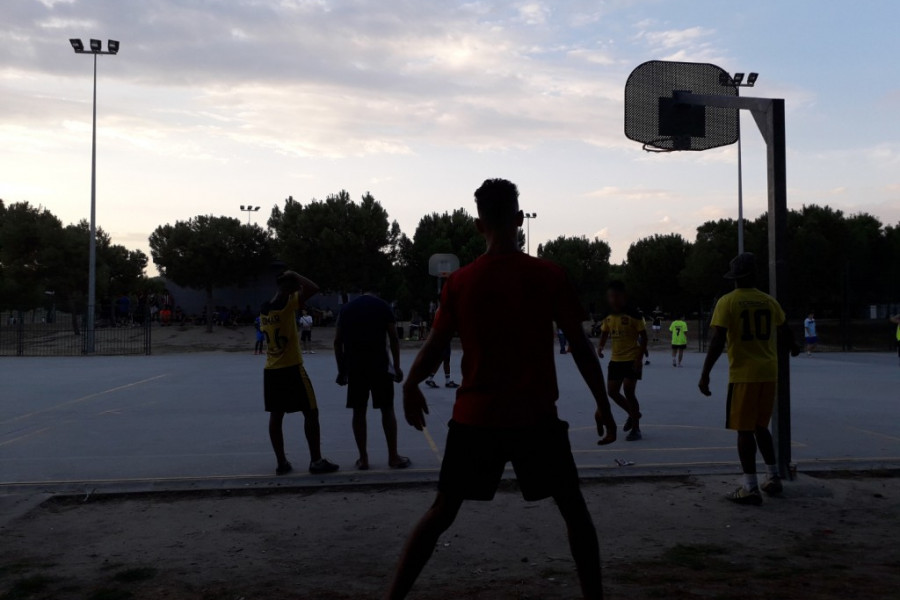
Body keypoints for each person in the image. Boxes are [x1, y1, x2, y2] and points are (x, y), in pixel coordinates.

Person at [386, 179, 617, 600]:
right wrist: (603, 404)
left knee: (441, 512)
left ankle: (394, 596)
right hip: (535, 418)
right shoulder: (549, 276)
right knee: (574, 511)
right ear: (517, 219)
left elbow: (436, 346)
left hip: (477, 420)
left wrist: (411, 383)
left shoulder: (459, 282)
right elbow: (581, 347)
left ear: (479, 225)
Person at [698, 253, 800, 506]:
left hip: (744, 374)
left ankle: (749, 487)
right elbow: (785, 332)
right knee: (760, 427)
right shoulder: (769, 301)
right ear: (755, 276)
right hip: (768, 373)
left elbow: (717, 340)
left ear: (734, 278)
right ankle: (773, 475)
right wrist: (794, 347)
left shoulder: (727, 302)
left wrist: (705, 373)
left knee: (744, 431)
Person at [260, 270, 340, 476]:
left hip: (271, 369)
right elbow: (314, 288)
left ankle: (282, 462)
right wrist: (295, 274)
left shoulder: (265, 308)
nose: (298, 293)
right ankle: (316, 460)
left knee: (276, 416)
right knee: (311, 412)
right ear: (289, 290)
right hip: (292, 367)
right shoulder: (288, 304)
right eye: (295, 289)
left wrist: (287, 283)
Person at [334, 293, 411, 471]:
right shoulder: (383, 306)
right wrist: (397, 367)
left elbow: (338, 342)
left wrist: (341, 370)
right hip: (380, 365)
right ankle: (393, 456)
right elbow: (393, 338)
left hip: (355, 367)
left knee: (359, 412)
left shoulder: (346, 309)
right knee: (387, 409)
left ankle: (364, 458)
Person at [597, 281, 647, 442]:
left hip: (632, 358)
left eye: (616, 296)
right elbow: (605, 331)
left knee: (628, 390)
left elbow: (644, 338)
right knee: (612, 392)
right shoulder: (608, 315)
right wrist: (601, 346)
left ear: (623, 297)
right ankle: (634, 414)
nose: (613, 300)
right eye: (610, 296)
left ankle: (636, 429)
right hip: (616, 359)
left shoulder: (634, 315)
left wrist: (639, 360)